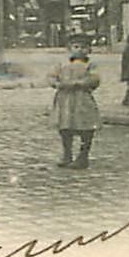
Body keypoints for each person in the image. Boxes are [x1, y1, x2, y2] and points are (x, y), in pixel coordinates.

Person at [50, 35, 101, 169]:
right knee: (65, 127)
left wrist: (79, 83)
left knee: (86, 126)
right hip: (65, 100)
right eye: (76, 47)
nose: (79, 50)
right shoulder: (62, 64)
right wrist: (56, 84)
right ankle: (67, 154)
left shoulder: (90, 65)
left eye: (83, 47)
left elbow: (95, 80)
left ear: (89, 50)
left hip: (82, 99)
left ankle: (83, 156)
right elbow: (52, 77)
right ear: (69, 49)